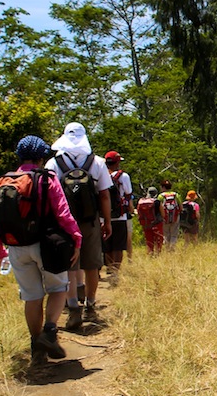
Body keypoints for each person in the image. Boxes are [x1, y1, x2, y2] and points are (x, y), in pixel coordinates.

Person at [0, 135, 82, 365]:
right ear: (41, 157)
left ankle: (36, 346)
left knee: (32, 297)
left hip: (16, 248)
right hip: (46, 245)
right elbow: (63, 213)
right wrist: (76, 238)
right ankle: (49, 331)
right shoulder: (46, 178)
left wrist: (1, 253)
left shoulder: (3, 181)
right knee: (59, 288)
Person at [46, 122, 113, 331]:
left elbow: (49, 196)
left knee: (69, 266)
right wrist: (107, 221)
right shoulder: (98, 162)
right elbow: (104, 194)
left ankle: (73, 307)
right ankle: (90, 305)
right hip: (90, 221)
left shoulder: (53, 164)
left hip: (64, 222)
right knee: (91, 265)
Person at [103, 150, 132, 284]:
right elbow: (128, 193)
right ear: (117, 162)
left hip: (104, 216)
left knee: (107, 245)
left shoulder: (100, 175)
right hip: (119, 216)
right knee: (118, 245)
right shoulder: (123, 176)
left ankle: (109, 268)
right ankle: (116, 271)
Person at [136, 186, 163, 254]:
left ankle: (150, 254)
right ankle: (158, 254)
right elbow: (163, 213)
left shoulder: (141, 202)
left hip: (146, 224)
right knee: (158, 240)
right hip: (157, 223)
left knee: (149, 240)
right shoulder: (157, 202)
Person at [158, 180, 183, 251]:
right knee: (174, 234)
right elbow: (180, 207)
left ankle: (167, 249)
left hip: (164, 218)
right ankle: (172, 249)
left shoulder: (160, 196)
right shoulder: (176, 195)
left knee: (166, 234)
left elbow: (158, 208)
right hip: (175, 217)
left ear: (163, 187)